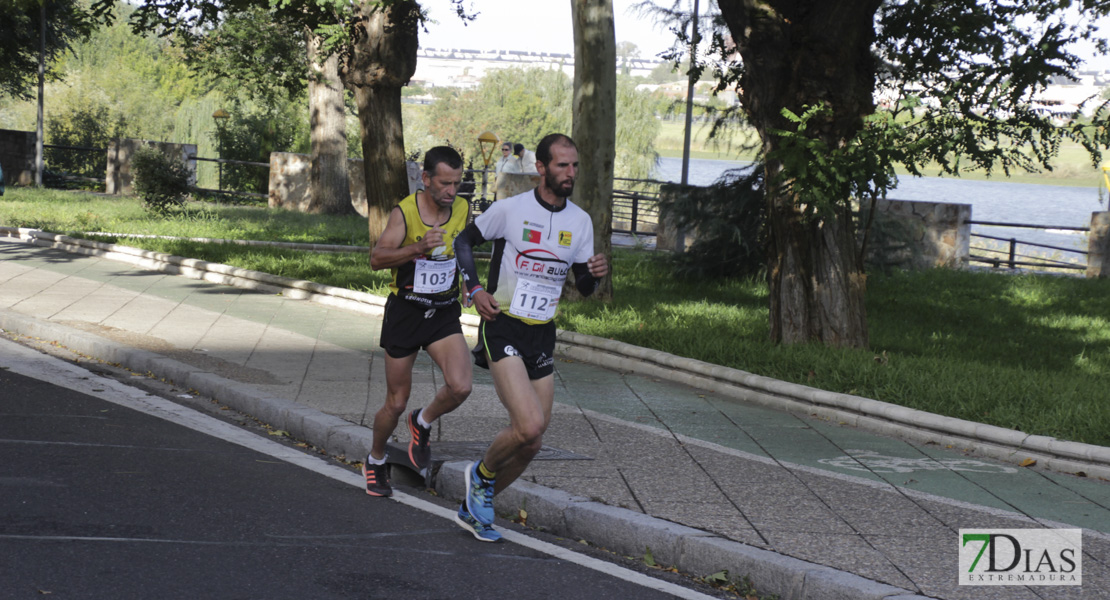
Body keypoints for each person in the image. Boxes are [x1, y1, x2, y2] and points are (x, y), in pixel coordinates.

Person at [452, 133, 609, 542]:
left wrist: (594, 274)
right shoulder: (511, 210)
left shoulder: (580, 221)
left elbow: (583, 286)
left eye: (574, 165)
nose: (570, 173)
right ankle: (481, 473)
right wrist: (475, 289)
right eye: (562, 165)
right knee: (529, 423)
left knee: (533, 440)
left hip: (542, 333)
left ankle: (476, 506)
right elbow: (463, 241)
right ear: (541, 168)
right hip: (502, 324)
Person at [363, 145, 473, 497]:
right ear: (425, 179)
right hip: (406, 313)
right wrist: (417, 248)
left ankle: (421, 421)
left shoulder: (461, 208)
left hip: (441, 311)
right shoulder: (405, 213)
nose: (451, 192)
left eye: (456, 183)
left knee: (461, 386)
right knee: (395, 402)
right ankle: (375, 459)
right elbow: (377, 258)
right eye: (444, 183)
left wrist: (471, 282)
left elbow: (462, 249)